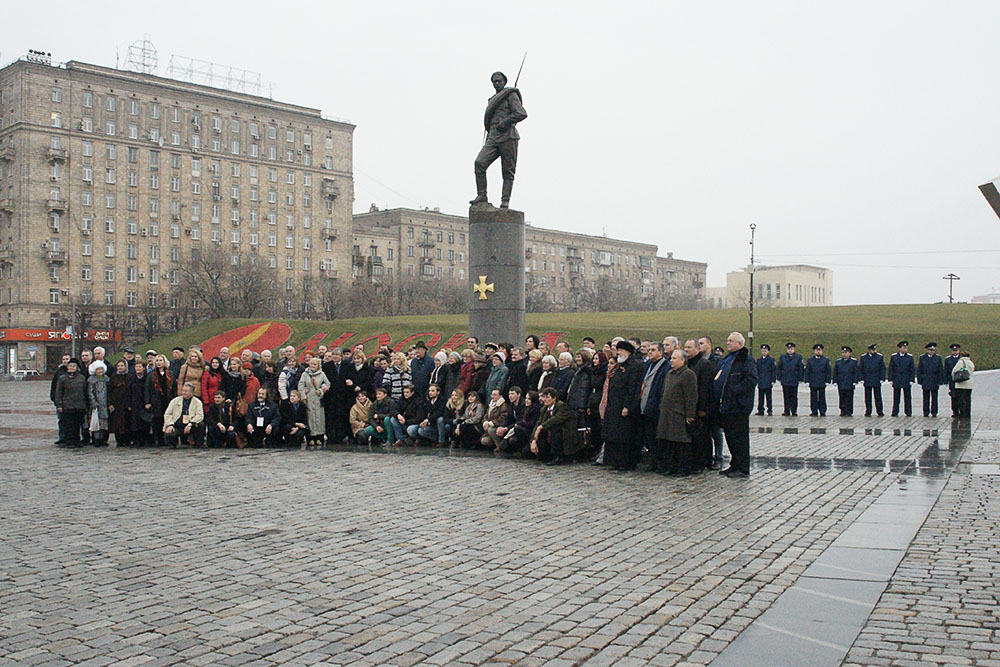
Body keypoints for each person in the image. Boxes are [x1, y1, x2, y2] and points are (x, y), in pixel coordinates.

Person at [470, 70, 528, 208]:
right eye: (494, 81)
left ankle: (505, 201)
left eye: (499, 81)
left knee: (507, 171)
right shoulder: (492, 100)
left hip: (508, 136)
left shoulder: (510, 94)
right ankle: (482, 195)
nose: (497, 83)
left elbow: (521, 113)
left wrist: (505, 122)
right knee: (479, 163)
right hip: (494, 137)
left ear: (504, 82)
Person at [715, 332, 758, 478]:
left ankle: (742, 467)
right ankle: (734, 465)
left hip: (738, 406)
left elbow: (751, 380)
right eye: (727, 340)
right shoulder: (727, 359)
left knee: (740, 439)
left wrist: (734, 391)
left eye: (731, 341)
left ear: (740, 344)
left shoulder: (746, 359)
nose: (728, 343)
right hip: (726, 405)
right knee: (731, 437)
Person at [656, 348, 698, 476]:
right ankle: (671, 466)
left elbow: (691, 396)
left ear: (683, 360)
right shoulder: (670, 374)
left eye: (674, 358)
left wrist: (690, 414)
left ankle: (683, 468)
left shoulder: (688, 374)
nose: (671, 360)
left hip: (679, 414)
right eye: (671, 358)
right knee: (669, 442)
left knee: (681, 442)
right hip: (667, 413)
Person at [602, 340, 644, 471]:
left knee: (624, 435)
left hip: (624, 406)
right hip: (614, 405)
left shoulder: (634, 366)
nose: (618, 352)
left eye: (621, 350)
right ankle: (614, 461)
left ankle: (626, 462)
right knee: (614, 434)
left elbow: (632, 388)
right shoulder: (620, 366)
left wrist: (627, 406)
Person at [685, 338, 716, 471]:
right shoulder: (686, 363)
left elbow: (705, 388)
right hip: (688, 407)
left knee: (702, 436)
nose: (686, 350)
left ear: (697, 349)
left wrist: (702, 408)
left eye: (689, 347)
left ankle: (703, 462)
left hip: (700, 407)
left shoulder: (704, 364)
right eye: (685, 347)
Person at [639, 342, 670, 472]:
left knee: (658, 438)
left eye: (653, 350)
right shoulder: (648, 365)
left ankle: (661, 463)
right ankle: (653, 462)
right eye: (649, 350)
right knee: (650, 437)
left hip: (656, 407)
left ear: (660, 352)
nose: (649, 352)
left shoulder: (665, 367)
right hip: (645, 406)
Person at [530, 387, 575, 465]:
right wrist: (533, 440)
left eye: (547, 397)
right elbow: (538, 423)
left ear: (554, 398)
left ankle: (558, 457)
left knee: (555, 428)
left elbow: (555, 420)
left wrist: (541, 427)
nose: (544, 399)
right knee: (529, 452)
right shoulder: (544, 409)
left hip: (564, 435)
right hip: (549, 435)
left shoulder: (561, 406)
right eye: (543, 397)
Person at [54, 358, 88, 448]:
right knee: (69, 424)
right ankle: (69, 441)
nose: (72, 368)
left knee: (77, 424)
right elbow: (58, 392)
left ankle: (77, 440)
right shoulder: (62, 378)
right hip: (67, 405)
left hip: (79, 405)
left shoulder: (81, 378)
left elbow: (85, 391)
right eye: (70, 366)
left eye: (73, 366)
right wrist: (59, 404)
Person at [298, 357, 330, 448]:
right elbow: (301, 385)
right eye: (311, 364)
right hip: (309, 398)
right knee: (310, 417)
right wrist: (303, 396)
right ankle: (310, 437)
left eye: (314, 364)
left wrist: (321, 390)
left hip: (318, 398)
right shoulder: (305, 374)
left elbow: (328, 384)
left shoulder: (322, 374)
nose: (312, 366)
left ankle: (319, 437)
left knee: (319, 417)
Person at [163, 382, 205, 447]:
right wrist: (170, 424)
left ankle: (198, 443)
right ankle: (173, 444)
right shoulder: (175, 401)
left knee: (201, 425)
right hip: (177, 424)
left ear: (192, 393)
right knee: (170, 432)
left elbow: (200, 416)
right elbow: (168, 414)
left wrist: (191, 424)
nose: (183, 393)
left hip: (190, 424)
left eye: (186, 391)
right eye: (183, 391)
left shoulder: (198, 402)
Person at [145, 354, 175, 447]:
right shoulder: (151, 375)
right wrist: (147, 402)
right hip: (156, 400)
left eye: (160, 360)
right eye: (157, 361)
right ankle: (159, 439)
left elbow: (173, 387)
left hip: (167, 399)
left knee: (167, 419)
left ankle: (168, 439)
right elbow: (147, 388)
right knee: (157, 420)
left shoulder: (170, 373)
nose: (158, 362)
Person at [322, 348, 350, 444]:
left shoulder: (347, 365)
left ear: (341, 357)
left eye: (337, 355)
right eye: (333, 354)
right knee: (331, 416)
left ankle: (341, 435)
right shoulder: (326, 366)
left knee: (341, 416)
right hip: (331, 395)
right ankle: (331, 435)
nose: (335, 356)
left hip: (343, 395)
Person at [917, 342, 945, 418]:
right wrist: (920, 380)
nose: (932, 351)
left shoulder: (938, 358)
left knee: (934, 397)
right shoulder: (922, 357)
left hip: (934, 379)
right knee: (926, 397)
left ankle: (934, 411)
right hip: (926, 378)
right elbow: (920, 369)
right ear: (927, 350)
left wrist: (940, 380)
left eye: (933, 350)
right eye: (930, 350)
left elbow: (940, 369)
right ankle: (926, 412)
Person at [776, 342, 804, 416]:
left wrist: (800, 378)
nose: (790, 350)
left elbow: (801, 368)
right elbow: (779, 368)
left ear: (794, 349)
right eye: (788, 349)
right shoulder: (783, 357)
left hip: (794, 379)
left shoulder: (798, 357)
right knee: (786, 396)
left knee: (794, 396)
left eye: (791, 349)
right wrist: (779, 377)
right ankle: (786, 410)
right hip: (785, 379)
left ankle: (794, 411)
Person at [888, 340, 915, 417]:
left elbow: (912, 369)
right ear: (899, 348)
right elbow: (891, 368)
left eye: (906, 348)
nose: (905, 349)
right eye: (903, 348)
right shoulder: (894, 357)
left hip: (906, 379)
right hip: (897, 379)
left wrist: (911, 379)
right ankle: (895, 411)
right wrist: (891, 379)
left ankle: (908, 412)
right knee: (896, 397)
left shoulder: (909, 357)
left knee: (907, 397)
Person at [108, 360, 132, 446]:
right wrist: (110, 403)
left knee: (127, 423)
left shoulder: (129, 377)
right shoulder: (113, 377)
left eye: (122, 366)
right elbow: (109, 391)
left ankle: (127, 440)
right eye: (118, 366)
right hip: (116, 403)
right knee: (117, 423)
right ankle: (119, 441)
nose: (120, 367)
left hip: (126, 403)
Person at [859, 344, 886, 417]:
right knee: (868, 397)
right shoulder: (864, 357)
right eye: (872, 350)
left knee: (878, 396)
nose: (874, 351)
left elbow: (882, 368)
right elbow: (861, 368)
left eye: (875, 350)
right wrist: (861, 378)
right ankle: (868, 411)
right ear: (869, 350)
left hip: (876, 378)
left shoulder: (879, 357)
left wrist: (882, 378)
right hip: (867, 378)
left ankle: (880, 411)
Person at [832, 346, 860, 416]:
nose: (844, 354)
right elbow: (835, 372)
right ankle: (842, 410)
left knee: (849, 397)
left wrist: (855, 381)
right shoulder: (838, 362)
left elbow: (856, 372)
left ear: (849, 353)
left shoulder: (853, 362)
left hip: (850, 383)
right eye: (843, 353)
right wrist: (835, 381)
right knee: (842, 397)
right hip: (841, 383)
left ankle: (849, 411)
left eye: (846, 352)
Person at [128, 361, 150, 447]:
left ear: (144, 368)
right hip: (134, 403)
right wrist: (129, 403)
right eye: (136, 367)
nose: (137, 368)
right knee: (134, 422)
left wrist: (147, 402)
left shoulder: (147, 378)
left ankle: (144, 439)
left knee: (144, 422)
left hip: (143, 403)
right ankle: (136, 440)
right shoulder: (132, 378)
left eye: (139, 367)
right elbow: (128, 391)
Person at [805, 344, 831, 417]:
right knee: (813, 397)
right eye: (817, 350)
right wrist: (807, 380)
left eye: (819, 350)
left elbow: (828, 371)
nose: (818, 352)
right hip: (813, 381)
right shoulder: (810, 360)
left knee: (822, 397)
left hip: (822, 381)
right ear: (814, 351)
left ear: (822, 351)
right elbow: (807, 371)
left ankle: (822, 411)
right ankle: (814, 411)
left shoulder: (825, 360)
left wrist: (827, 381)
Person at [50, 353, 71, 444]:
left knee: (71, 421)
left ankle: (71, 437)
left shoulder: (75, 372)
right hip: (61, 401)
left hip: (72, 401)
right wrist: (54, 399)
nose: (65, 361)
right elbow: (54, 386)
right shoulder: (58, 372)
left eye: (67, 359)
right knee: (61, 420)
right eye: (64, 359)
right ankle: (62, 437)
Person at [951, 351, 973, 419]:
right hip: (969, 384)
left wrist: (954, 378)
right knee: (968, 399)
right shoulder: (970, 362)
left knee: (961, 400)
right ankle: (968, 413)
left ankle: (962, 413)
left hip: (961, 384)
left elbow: (954, 371)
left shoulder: (961, 362)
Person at [755, 344, 776, 416]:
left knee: (768, 397)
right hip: (761, 380)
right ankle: (760, 410)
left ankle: (769, 410)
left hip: (768, 380)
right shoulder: (758, 360)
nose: (764, 352)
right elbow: (756, 370)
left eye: (765, 351)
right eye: (763, 351)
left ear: (768, 351)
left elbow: (773, 370)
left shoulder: (771, 360)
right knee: (760, 397)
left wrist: (773, 380)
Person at [944, 343, 963, 417]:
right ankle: (955, 411)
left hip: (960, 380)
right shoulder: (948, 359)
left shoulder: (961, 359)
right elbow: (946, 370)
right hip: (952, 381)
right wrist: (945, 380)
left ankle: (961, 410)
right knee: (953, 396)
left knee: (960, 396)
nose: (955, 352)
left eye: (956, 350)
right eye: (954, 350)